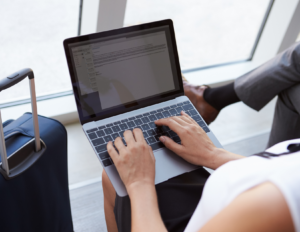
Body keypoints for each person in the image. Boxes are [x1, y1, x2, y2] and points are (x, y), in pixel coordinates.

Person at [102, 42, 300, 232]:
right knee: (295, 89)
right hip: (231, 189)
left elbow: (278, 189)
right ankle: (208, 99)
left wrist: (139, 183)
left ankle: (208, 99)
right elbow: (280, 168)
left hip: (204, 216)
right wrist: (213, 155)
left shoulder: (277, 202)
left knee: (114, 172)